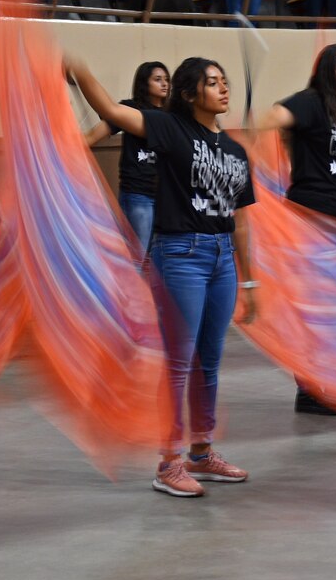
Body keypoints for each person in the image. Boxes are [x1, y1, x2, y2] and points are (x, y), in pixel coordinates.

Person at [66, 55, 257, 498]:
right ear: (190, 94)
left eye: (225, 81)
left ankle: (201, 452)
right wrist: (80, 68)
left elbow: (242, 220)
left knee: (207, 362)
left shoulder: (233, 149)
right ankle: (168, 462)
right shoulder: (171, 129)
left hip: (222, 258)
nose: (223, 88)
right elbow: (111, 114)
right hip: (180, 255)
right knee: (178, 362)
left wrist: (250, 280)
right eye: (213, 83)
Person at [254, 44, 336, 417]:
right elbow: (272, 116)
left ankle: (329, 381)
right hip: (311, 218)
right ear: (327, 69)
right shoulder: (311, 103)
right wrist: (259, 141)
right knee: (316, 306)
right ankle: (310, 389)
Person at [84, 60, 167, 254]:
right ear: (144, 83)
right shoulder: (129, 109)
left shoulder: (171, 115)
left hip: (165, 197)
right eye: (157, 79)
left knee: (159, 258)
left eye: (166, 79)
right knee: (135, 257)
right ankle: (131, 285)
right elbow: (93, 135)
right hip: (138, 195)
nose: (165, 84)